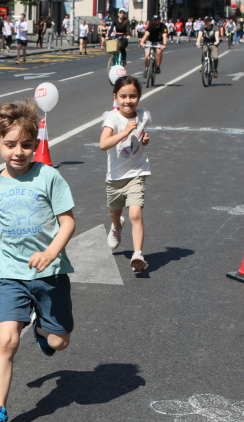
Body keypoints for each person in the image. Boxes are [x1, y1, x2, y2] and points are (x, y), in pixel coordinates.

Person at [0, 99, 76, 422]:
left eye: (27, 145)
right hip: (12, 274)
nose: (19, 152)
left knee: (59, 341)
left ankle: (42, 331)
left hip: (50, 273)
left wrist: (50, 252)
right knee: (6, 340)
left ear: (36, 144)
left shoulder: (49, 177)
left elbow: (68, 222)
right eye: (11, 144)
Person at [101, 75, 151, 273]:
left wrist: (145, 139)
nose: (128, 101)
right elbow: (104, 144)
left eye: (133, 96)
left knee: (135, 213)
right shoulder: (112, 118)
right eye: (123, 96)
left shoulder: (143, 115)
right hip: (115, 176)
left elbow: (140, 137)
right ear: (115, 97)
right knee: (115, 212)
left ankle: (137, 254)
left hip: (137, 172)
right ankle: (116, 227)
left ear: (139, 97)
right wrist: (125, 131)